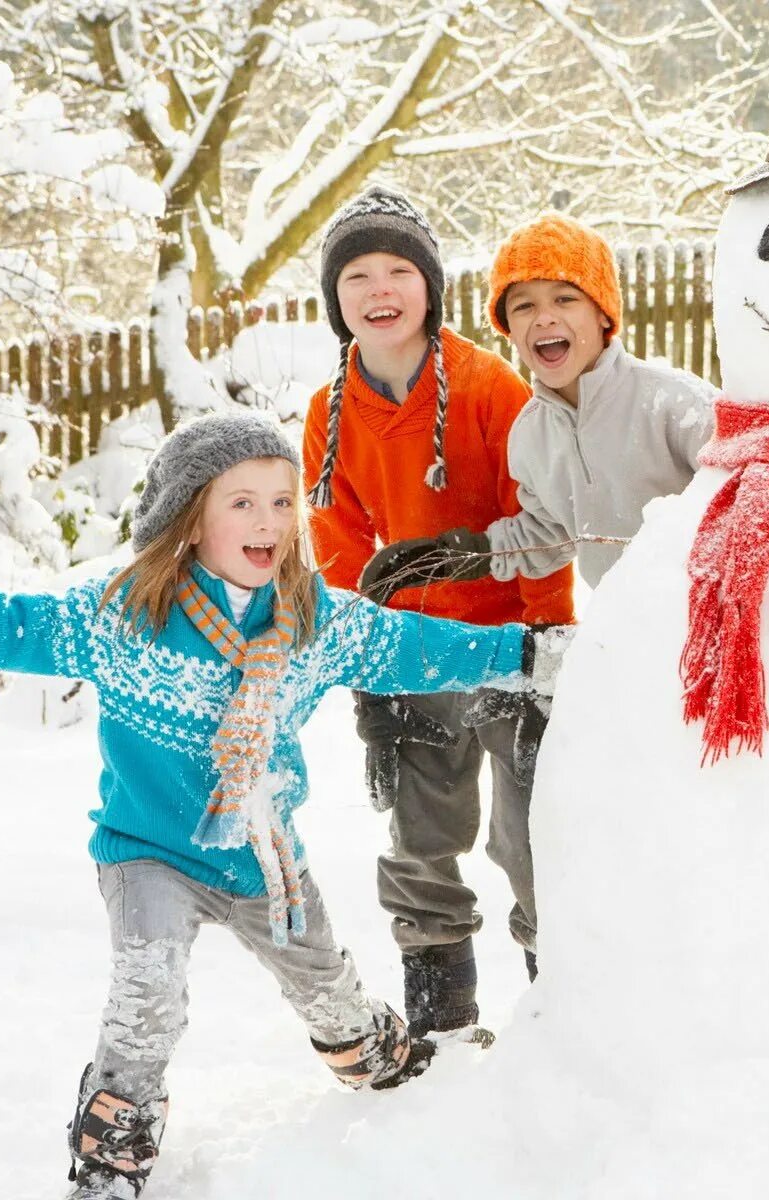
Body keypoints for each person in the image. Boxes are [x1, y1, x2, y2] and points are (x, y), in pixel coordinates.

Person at [0, 413, 569, 1200]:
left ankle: (368, 1049)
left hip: (261, 852)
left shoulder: (314, 621)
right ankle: (113, 1151)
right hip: (148, 849)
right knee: (146, 994)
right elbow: (11, 628)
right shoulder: (124, 616)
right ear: (190, 517)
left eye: (281, 502)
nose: (267, 521)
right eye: (242, 503)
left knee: (323, 986)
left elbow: (413, 646)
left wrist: (526, 654)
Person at [301, 185, 573, 1037]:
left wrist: (545, 646)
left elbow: (538, 519)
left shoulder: (491, 388)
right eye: (356, 277)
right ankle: (442, 1017)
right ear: (335, 300)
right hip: (410, 653)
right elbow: (340, 546)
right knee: (423, 837)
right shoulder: (330, 413)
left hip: (505, 643)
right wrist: (366, 664)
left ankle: (560, 1009)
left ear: (428, 286)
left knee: (533, 838)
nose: (379, 291)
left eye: (397, 271)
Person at [359, 211, 716, 596]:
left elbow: (752, 494)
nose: (544, 318)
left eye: (565, 298)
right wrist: (455, 556)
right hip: (625, 627)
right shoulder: (531, 434)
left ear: (602, 314)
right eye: (524, 306)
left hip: (713, 617)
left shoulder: (675, 405)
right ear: (508, 330)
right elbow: (546, 532)